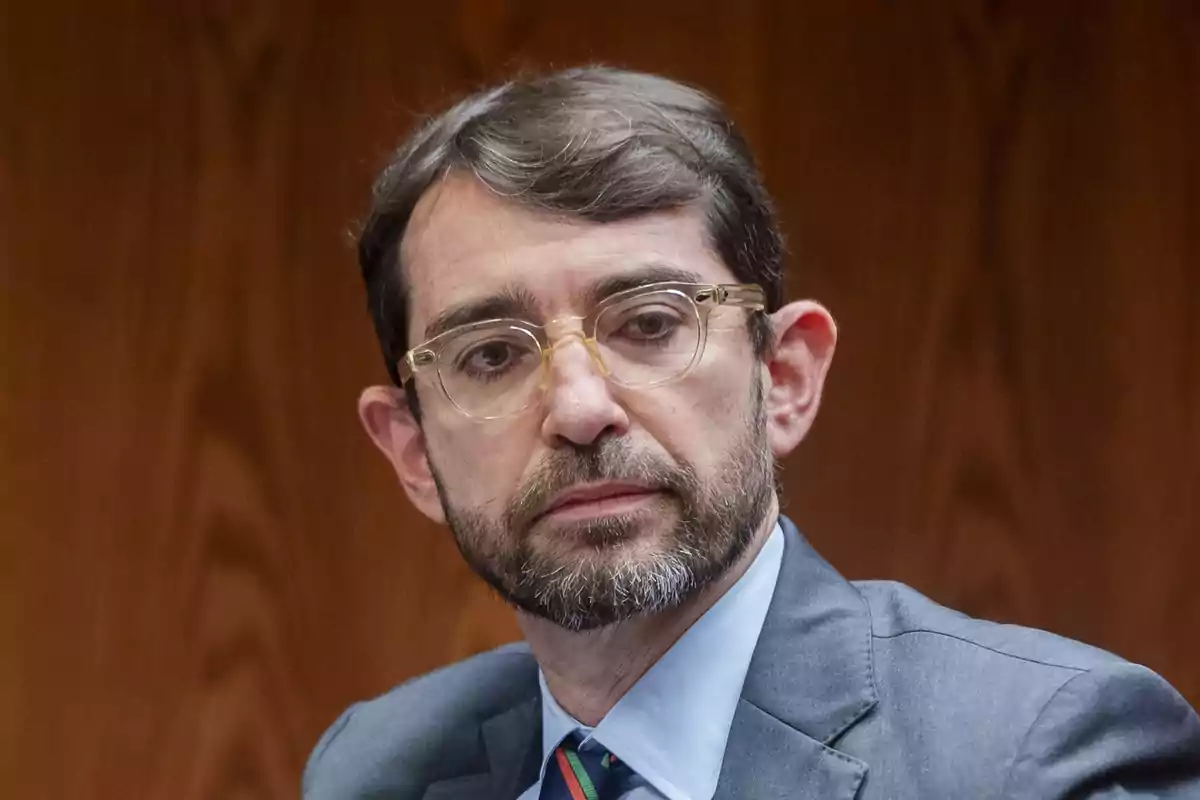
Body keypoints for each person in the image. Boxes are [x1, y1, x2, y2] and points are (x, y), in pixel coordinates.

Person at [303, 67, 1200, 799]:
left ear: (784, 378)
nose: (580, 409)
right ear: (413, 452)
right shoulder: (375, 769)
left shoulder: (1038, 761)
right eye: (493, 354)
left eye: (649, 324)